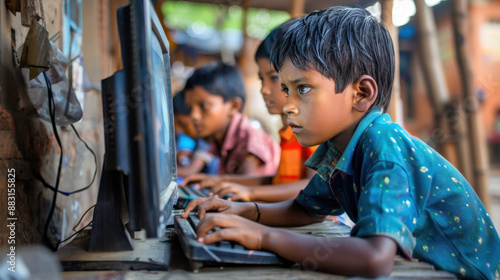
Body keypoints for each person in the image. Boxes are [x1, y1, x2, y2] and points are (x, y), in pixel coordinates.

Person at [181, 7, 500, 279]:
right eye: (287, 90)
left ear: (360, 94)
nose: (289, 105)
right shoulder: (340, 147)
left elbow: (374, 258)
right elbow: (306, 210)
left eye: (302, 88)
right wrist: (241, 211)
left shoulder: (385, 149)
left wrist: (265, 237)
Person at [179, 19, 319, 203]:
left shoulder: (312, 132)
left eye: (274, 78)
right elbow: (276, 182)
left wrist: (249, 193)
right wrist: (221, 180)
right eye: (262, 79)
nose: (264, 89)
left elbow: (312, 188)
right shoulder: (287, 132)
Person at [183, 61, 280, 176]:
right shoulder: (215, 137)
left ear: (234, 106)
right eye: (190, 108)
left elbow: (250, 186)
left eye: (204, 106)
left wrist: (215, 181)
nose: (194, 115)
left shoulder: (249, 139)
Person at [173, 90, 218, 177]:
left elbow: (190, 172)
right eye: (176, 124)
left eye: (183, 124)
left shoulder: (205, 140)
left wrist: (161, 171)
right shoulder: (195, 142)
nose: (178, 130)